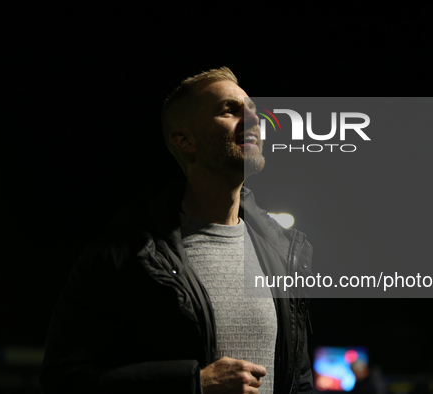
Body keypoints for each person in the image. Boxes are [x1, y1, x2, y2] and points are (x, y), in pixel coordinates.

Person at [39, 67, 314, 394]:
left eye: (253, 110)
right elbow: (63, 381)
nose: (256, 119)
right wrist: (194, 383)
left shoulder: (282, 252)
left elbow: (298, 382)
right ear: (184, 140)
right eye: (230, 110)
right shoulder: (124, 255)